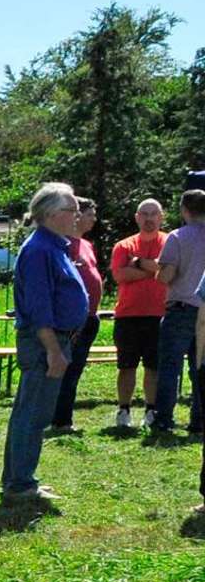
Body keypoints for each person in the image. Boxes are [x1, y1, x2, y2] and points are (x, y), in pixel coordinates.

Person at [2, 182, 86, 507]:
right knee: (33, 413)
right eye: (71, 209)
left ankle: (18, 478)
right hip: (44, 342)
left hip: (54, 340)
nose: (77, 215)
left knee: (31, 411)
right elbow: (39, 307)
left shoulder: (53, 246)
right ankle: (20, 484)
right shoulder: (39, 250)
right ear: (51, 214)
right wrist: (53, 349)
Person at [110, 198, 169, 429]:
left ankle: (151, 409)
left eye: (154, 214)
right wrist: (153, 269)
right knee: (126, 366)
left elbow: (170, 271)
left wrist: (136, 263)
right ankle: (123, 410)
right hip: (128, 315)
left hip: (160, 314)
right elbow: (120, 275)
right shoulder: (123, 246)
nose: (149, 218)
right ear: (137, 217)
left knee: (153, 366)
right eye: (144, 214)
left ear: (161, 217)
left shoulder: (169, 242)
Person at [153, 188, 205, 442]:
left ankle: (163, 420)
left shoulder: (177, 237)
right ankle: (198, 421)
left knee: (170, 366)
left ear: (185, 210)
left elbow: (167, 275)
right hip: (204, 311)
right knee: (200, 367)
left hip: (181, 307)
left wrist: (156, 270)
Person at [50, 197, 104, 433]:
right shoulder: (63, 245)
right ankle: (60, 420)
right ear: (77, 215)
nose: (94, 219)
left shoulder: (86, 245)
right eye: (90, 214)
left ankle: (63, 417)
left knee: (76, 368)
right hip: (73, 319)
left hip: (90, 317)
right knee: (67, 369)